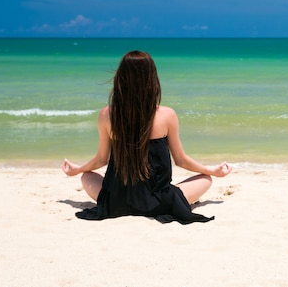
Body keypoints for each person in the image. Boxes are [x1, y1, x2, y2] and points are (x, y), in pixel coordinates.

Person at [62, 50, 232, 224]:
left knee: (86, 176)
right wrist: (212, 171)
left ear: (121, 79)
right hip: (159, 202)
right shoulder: (167, 115)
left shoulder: (107, 115)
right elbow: (181, 160)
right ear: (152, 79)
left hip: (117, 202)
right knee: (205, 179)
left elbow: (100, 160)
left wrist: (77, 170)